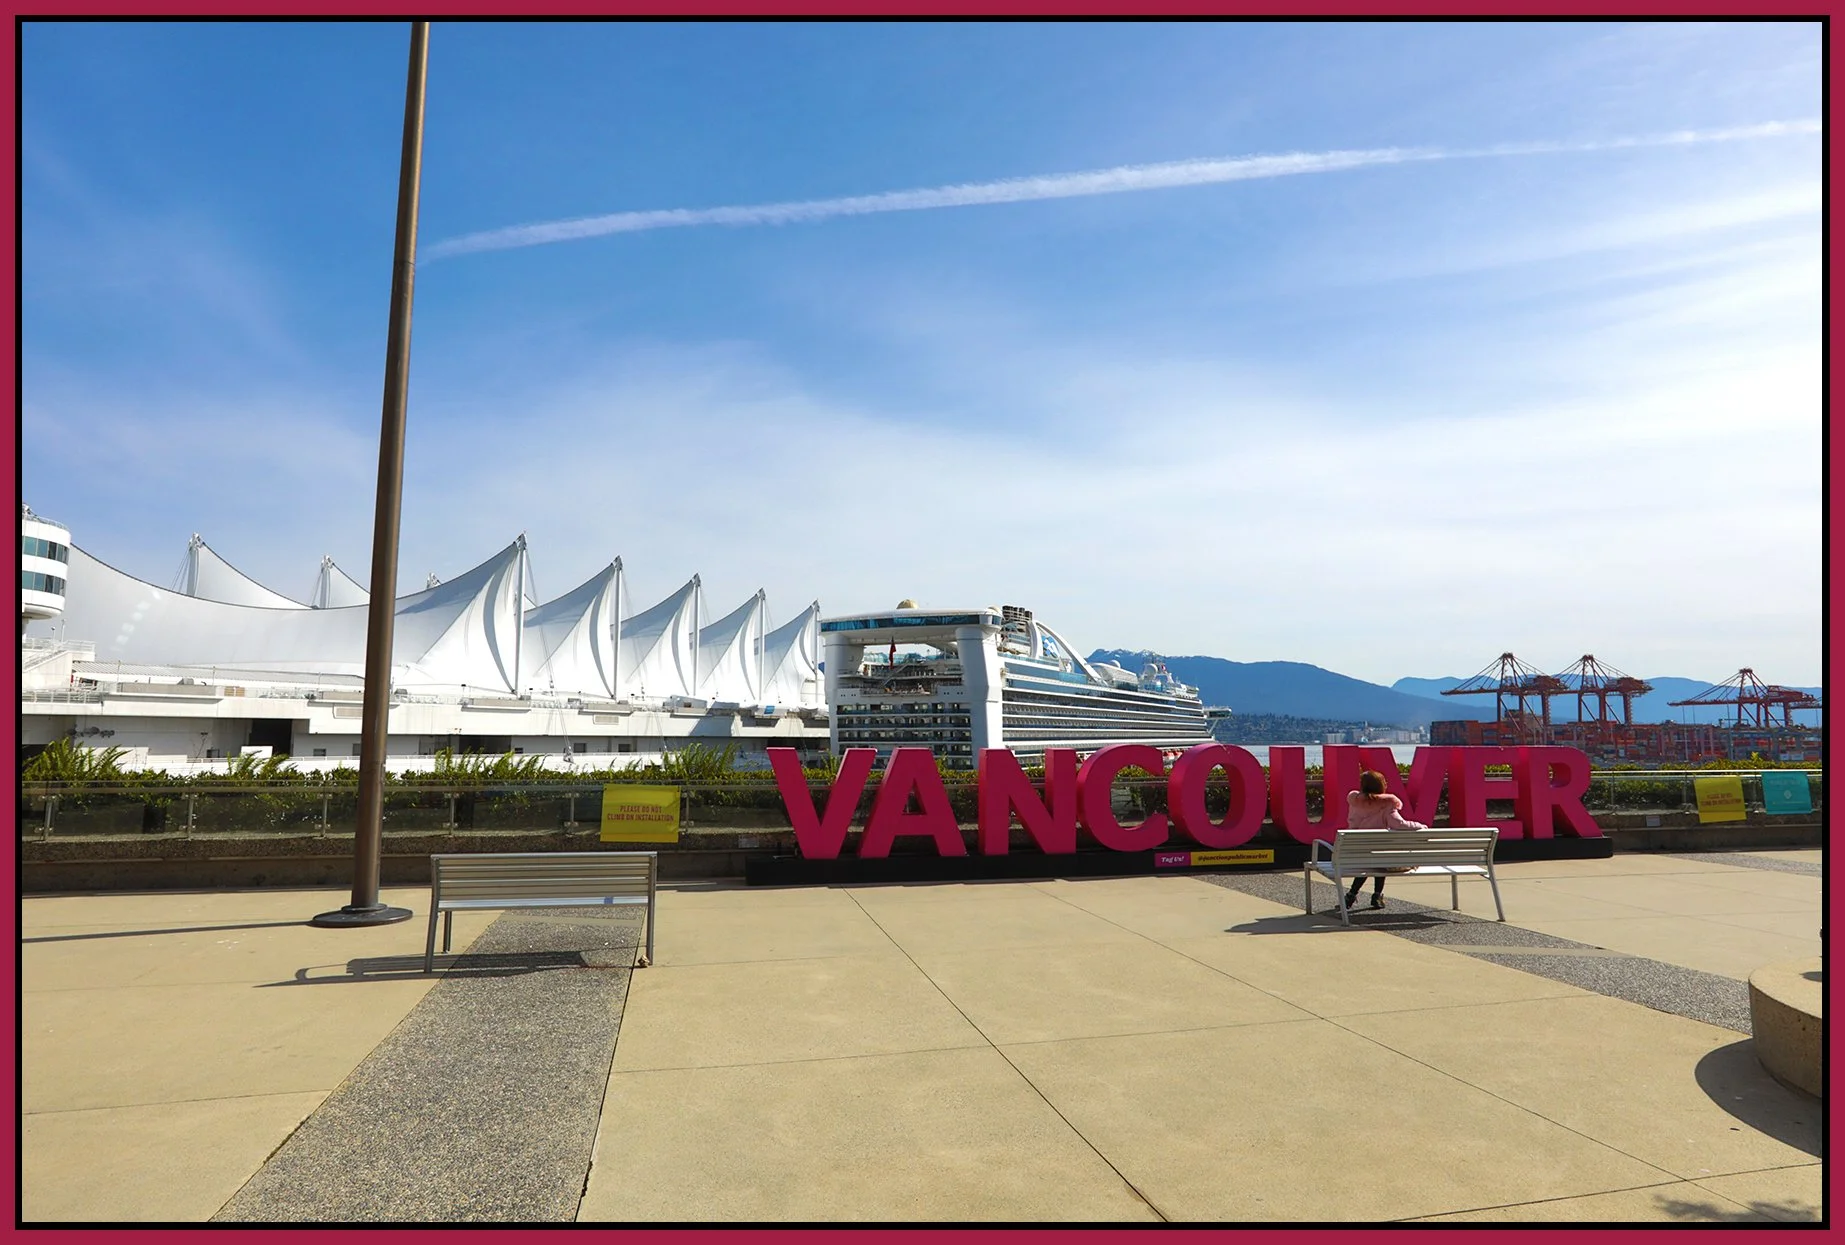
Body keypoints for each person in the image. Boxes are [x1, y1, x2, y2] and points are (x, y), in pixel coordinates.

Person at [1343, 769, 1427, 912]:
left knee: (1371, 862)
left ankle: (1351, 894)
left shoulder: (1355, 801)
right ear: (1381, 785)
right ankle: (1377, 896)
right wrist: (1421, 826)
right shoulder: (1387, 804)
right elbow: (1399, 824)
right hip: (1380, 853)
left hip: (1355, 852)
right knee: (1380, 859)